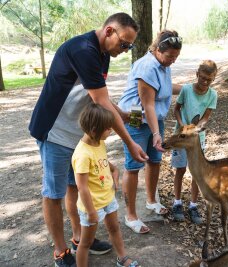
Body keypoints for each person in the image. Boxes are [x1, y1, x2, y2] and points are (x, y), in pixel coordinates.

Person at [28, 13, 148, 267]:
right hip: (54, 131)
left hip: (76, 134)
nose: (125, 50)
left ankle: (80, 237)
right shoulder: (83, 49)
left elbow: (97, 94)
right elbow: (100, 101)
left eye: (130, 46)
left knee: (76, 187)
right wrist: (129, 143)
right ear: (108, 31)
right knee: (54, 192)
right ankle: (61, 251)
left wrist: (122, 114)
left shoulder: (103, 53)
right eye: (124, 44)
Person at [118, 30, 182, 234]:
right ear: (156, 50)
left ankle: (151, 200)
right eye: (169, 56)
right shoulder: (147, 67)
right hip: (135, 120)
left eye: (176, 57)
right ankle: (130, 215)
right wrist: (156, 134)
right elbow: (148, 105)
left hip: (156, 120)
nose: (172, 60)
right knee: (133, 165)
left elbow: (165, 88)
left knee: (155, 160)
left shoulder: (163, 65)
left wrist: (190, 88)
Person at [72, 103, 139, 267]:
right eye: (108, 129)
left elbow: (103, 163)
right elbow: (82, 187)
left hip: (108, 200)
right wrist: (91, 212)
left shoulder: (98, 143)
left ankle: (122, 258)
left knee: (115, 229)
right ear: (95, 130)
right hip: (92, 206)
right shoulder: (82, 154)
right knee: (86, 243)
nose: (112, 131)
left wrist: (114, 171)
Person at [170, 60, 218, 224]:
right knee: (180, 169)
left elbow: (206, 117)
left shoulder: (212, 94)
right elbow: (176, 110)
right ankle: (177, 203)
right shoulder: (186, 90)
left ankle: (193, 205)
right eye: (202, 78)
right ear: (197, 74)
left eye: (209, 80)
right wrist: (183, 125)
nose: (204, 82)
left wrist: (198, 128)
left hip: (197, 139)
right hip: (181, 136)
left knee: (197, 173)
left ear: (213, 79)